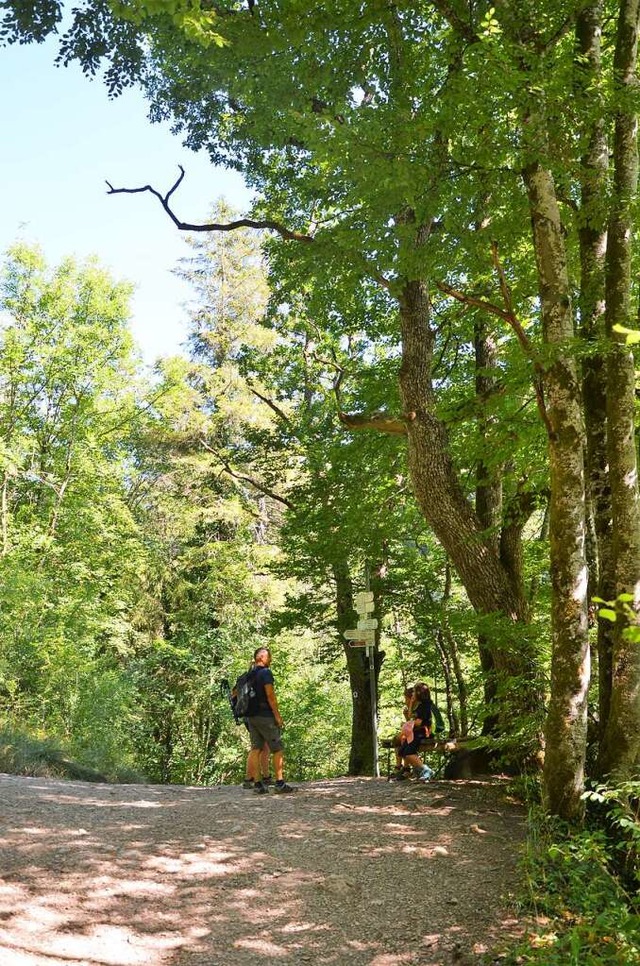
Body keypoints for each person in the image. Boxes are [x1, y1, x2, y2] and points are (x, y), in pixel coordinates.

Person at [245, 646, 296, 794]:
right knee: (278, 749)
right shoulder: (265, 673)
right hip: (265, 716)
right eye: (268, 656)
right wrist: (277, 716)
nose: (270, 659)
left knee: (256, 749)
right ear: (261, 657)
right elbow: (270, 696)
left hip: (251, 717)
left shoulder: (249, 674)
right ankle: (280, 783)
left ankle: (258, 785)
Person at [392, 682, 433, 783]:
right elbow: (410, 716)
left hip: (423, 732)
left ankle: (426, 771)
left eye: (414, 691)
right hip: (416, 732)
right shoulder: (419, 705)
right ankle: (417, 771)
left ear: (419, 693)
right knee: (403, 751)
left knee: (408, 752)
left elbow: (419, 722)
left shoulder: (426, 705)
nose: (413, 694)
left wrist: (408, 725)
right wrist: (411, 704)